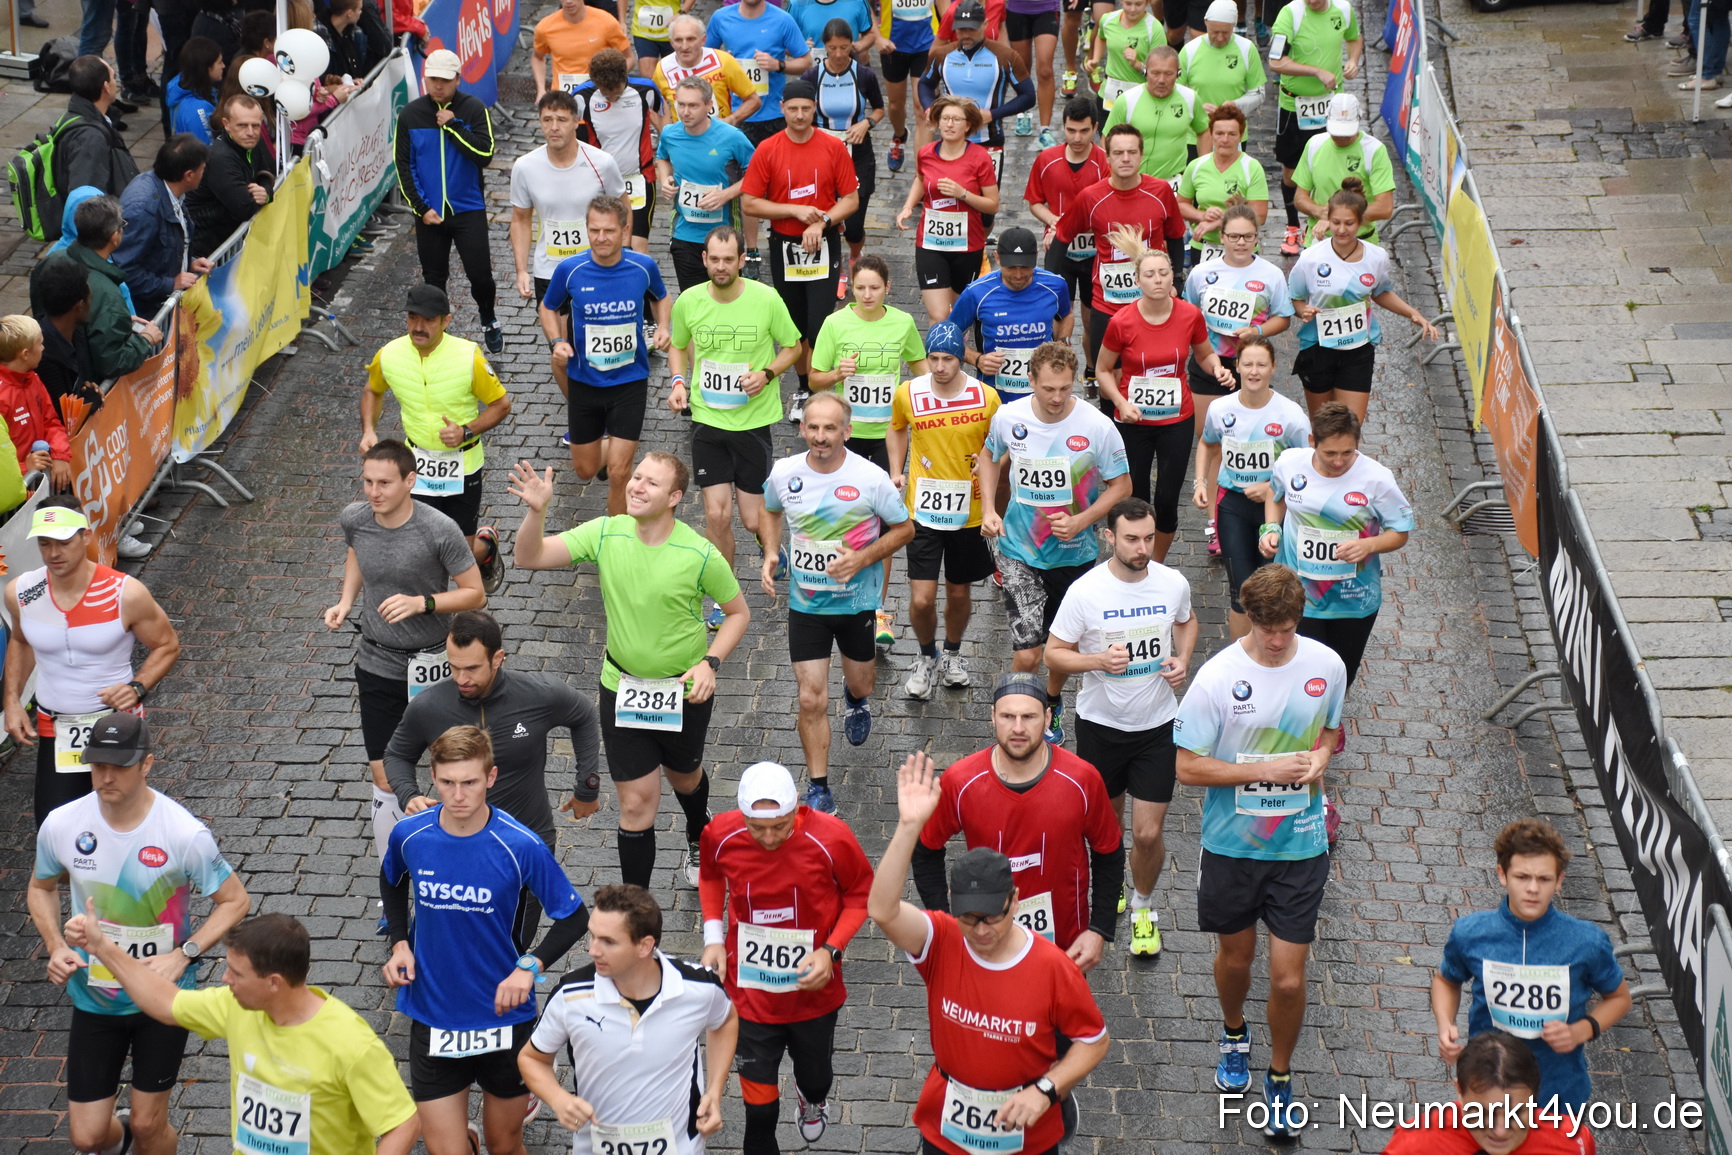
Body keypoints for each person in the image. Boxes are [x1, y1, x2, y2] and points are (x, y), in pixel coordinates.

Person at [511, 452, 750, 890]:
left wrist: (709, 663)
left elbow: (737, 613)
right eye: (636, 476)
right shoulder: (606, 532)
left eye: (651, 483)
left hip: (683, 690)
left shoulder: (699, 554)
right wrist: (537, 511)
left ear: (675, 497)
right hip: (621, 688)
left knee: (685, 777)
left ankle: (699, 828)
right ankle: (635, 911)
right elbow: (529, 557)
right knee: (637, 805)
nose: (636, 486)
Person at [1173, 563, 1344, 1141]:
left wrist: (1320, 758)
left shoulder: (1326, 666)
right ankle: (1233, 1031)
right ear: (1249, 617)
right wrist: (1267, 768)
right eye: (1268, 627)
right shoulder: (1218, 678)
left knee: (1289, 980)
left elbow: (1330, 732)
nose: (1277, 640)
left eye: (1288, 628)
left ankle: (1280, 1076)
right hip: (1232, 847)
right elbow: (1187, 766)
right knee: (1238, 961)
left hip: (1301, 844)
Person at [28, 712, 251, 1155]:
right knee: (88, 1137)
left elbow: (236, 901)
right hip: (95, 996)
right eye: (97, 765)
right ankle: (124, 1138)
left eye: (119, 766)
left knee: (151, 1124)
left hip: (162, 998)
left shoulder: (184, 834)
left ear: (146, 764)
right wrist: (55, 945)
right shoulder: (62, 824)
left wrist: (183, 954)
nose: (106, 776)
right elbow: (41, 887)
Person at [869, 756, 1110, 1155]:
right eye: (970, 918)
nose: (981, 931)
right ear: (952, 905)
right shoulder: (941, 941)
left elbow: (1093, 1041)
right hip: (948, 1130)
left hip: (1027, 1134)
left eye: (993, 918)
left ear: (1015, 902)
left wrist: (1046, 1090)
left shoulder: (1052, 966)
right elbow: (881, 910)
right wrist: (909, 826)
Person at [381, 725, 590, 1155]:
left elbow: (574, 917)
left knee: (505, 1144)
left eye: (470, 783)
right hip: (433, 1014)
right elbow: (391, 880)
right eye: (447, 783)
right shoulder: (411, 835)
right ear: (433, 779)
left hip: (504, 1019)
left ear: (491, 778)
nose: (458, 795)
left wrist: (529, 967)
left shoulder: (520, 845)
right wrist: (400, 942)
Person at [68, 910, 421, 1155]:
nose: (225, 979)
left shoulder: (351, 1044)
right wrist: (103, 948)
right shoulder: (236, 1006)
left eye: (236, 973)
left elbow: (402, 1124)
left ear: (273, 983)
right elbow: (165, 1001)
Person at [323, 439, 487, 867]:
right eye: (367, 482)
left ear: (410, 481)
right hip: (377, 663)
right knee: (384, 775)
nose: (373, 492)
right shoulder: (355, 519)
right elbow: (357, 555)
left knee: (448, 769)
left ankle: (450, 858)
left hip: (433, 666)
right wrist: (345, 601)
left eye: (384, 483)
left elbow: (475, 594)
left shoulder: (438, 529)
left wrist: (424, 602)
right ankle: (394, 874)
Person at [1044, 497, 1196, 955]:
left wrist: (1182, 660)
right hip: (1100, 726)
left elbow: (1187, 625)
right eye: (1132, 539)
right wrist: (1096, 661)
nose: (1142, 548)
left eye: (1149, 538)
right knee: (1106, 830)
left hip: (1157, 726)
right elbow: (1054, 654)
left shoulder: (1172, 583)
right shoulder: (1086, 591)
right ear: (1109, 537)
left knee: (1148, 833)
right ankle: (1111, 892)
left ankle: (1145, 909)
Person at [697, 761, 873, 1152]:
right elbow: (710, 875)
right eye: (756, 828)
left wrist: (831, 950)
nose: (770, 837)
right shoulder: (720, 834)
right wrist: (713, 936)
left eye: (780, 825)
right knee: (759, 1116)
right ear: (741, 816)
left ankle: (811, 1097)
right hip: (749, 995)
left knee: (817, 1079)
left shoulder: (831, 837)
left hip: (814, 993)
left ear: (798, 808)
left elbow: (862, 893)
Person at [760, 392, 913, 811]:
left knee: (862, 681)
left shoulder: (870, 478)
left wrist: (861, 559)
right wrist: (772, 551)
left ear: (847, 430)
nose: (821, 437)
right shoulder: (784, 472)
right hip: (806, 606)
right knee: (810, 698)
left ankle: (856, 699)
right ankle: (819, 785)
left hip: (856, 604)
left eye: (830, 428)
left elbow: (904, 530)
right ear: (801, 428)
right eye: (813, 427)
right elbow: (770, 512)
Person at [912, 671, 1123, 968]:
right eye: (1008, 716)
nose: (1018, 728)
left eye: (1029, 717)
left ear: (1048, 719)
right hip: (987, 946)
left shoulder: (1082, 779)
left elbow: (1109, 853)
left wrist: (1099, 930)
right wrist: (946, 923)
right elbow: (925, 851)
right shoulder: (961, 781)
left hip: (1065, 950)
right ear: (992, 717)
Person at [976, 342, 1129, 745]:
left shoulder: (1096, 426)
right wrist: (989, 509)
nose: (1058, 398)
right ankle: (1018, 718)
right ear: (1031, 382)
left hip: (1074, 554)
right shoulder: (1009, 417)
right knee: (1028, 652)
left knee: (1062, 646)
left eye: (1065, 389)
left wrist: (1081, 520)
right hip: (1018, 550)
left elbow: (1122, 486)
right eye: (1048, 389)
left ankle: (1053, 701)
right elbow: (989, 458)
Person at [519, 885, 738, 1155]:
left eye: (608, 941)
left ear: (644, 945)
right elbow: (530, 1058)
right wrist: (558, 1098)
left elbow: (726, 1020)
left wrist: (714, 1093)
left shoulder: (698, 987)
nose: (593, 950)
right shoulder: (570, 996)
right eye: (593, 936)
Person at [1432, 820, 1632, 1115]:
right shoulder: (1470, 933)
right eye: (1522, 877)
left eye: (1544, 879)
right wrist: (1445, 1023)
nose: (1533, 889)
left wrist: (1581, 1030)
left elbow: (1619, 998)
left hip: (1558, 1094)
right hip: (1488, 1091)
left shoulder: (1587, 941)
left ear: (1560, 880)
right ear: (1502, 875)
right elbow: (1446, 981)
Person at [3, 498, 181, 826]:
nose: (54, 553)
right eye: (45, 544)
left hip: (114, 723)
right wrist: (12, 701)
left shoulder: (125, 594)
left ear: (85, 537)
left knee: (120, 822)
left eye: (63, 542)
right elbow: (20, 640)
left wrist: (138, 687)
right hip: (56, 727)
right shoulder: (23, 592)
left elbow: (167, 644)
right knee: (54, 825)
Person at [384, 609, 602, 862]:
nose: (461, 679)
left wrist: (588, 787)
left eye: (472, 668)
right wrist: (409, 796)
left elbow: (584, 714)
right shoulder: (428, 706)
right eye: (454, 667)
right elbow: (397, 754)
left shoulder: (537, 694)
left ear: (497, 658)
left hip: (528, 843)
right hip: (458, 848)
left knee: (526, 904)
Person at [668, 226, 804, 579]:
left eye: (729, 260)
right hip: (708, 419)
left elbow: (793, 347)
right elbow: (678, 345)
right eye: (714, 259)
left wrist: (768, 374)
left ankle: (769, 541)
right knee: (715, 515)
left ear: (743, 260)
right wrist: (679, 382)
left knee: (749, 518)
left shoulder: (766, 299)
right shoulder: (689, 301)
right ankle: (723, 590)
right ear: (704, 259)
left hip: (752, 421)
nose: (721, 267)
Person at [1260, 403, 1411, 721]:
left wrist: (1368, 544)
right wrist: (1271, 528)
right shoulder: (1290, 463)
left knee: (1340, 672)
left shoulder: (1376, 479)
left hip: (1353, 599)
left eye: (1348, 452)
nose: (1339, 461)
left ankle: (1329, 718)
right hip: (1299, 594)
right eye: (1330, 453)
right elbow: (1276, 497)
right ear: (1313, 440)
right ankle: (1304, 735)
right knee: (1301, 671)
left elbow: (1400, 532)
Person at [808, 255, 926, 645]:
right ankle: (838, 588)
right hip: (847, 436)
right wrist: (837, 375)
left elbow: (919, 367)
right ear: (851, 288)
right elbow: (814, 378)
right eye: (860, 288)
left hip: (888, 436)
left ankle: (876, 608)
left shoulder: (903, 323)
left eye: (875, 287)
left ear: (888, 288)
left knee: (885, 521)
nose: (867, 294)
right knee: (842, 514)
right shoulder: (835, 323)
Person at [360, 284, 513, 583]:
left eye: (429, 320)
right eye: (413, 318)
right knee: (420, 547)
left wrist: (467, 431)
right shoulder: (389, 355)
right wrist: (368, 429)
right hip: (416, 466)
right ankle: (432, 618)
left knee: (460, 555)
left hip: (463, 465)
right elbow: (372, 390)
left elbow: (501, 405)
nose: (419, 326)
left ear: (446, 321)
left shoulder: (468, 356)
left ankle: (487, 547)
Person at [1094, 242, 1235, 561]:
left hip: (1176, 419)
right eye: (1149, 274)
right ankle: (1134, 557)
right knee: (1137, 497)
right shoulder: (1122, 322)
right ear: (1138, 280)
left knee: (1169, 499)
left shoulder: (1189, 315)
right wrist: (1120, 401)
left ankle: (1154, 563)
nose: (1157, 279)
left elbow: (1204, 353)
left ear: (1173, 277)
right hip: (1134, 422)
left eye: (1163, 273)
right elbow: (1102, 370)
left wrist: (1218, 369)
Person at [886, 321, 997, 698]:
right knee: (920, 598)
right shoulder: (908, 392)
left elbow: (997, 449)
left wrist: (996, 499)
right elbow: (897, 427)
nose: (938, 366)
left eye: (947, 358)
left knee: (960, 595)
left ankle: (952, 652)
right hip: (923, 510)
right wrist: (895, 471)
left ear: (960, 358)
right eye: (932, 358)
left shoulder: (986, 397)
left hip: (970, 513)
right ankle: (925, 655)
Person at [540, 195, 671, 513]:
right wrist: (557, 340)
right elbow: (547, 307)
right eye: (594, 230)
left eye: (609, 230)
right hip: (585, 383)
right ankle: (606, 448)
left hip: (630, 382)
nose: (601, 237)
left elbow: (661, 297)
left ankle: (617, 542)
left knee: (619, 473)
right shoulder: (571, 270)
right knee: (585, 470)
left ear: (625, 231)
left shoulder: (643, 266)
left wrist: (664, 326)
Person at [740, 78, 859, 405]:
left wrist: (821, 221)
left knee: (819, 322)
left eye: (806, 109)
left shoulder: (833, 147)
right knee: (795, 326)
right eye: (792, 109)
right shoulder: (769, 149)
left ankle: (821, 385)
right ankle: (806, 386)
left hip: (824, 245)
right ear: (782, 109)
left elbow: (850, 199)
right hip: (783, 246)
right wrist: (794, 210)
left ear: (815, 108)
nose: (799, 115)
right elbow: (749, 202)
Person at [1181, 205, 1291, 552]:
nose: (1240, 243)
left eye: (1248, 236)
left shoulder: (1271, 274)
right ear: (1221, 237)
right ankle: (1215, 522)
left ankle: (1253, 511)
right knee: (1213, 444)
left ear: (1258, 238)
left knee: (1245, 441)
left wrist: (1257, 329)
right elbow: (1190, 313)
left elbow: (1284, 318)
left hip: (1250, 365)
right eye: (1233, 236)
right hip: (1207, 363)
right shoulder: (1202, 272)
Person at [1287, 180, 1438, 422]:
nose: (1342, 230)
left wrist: (1414, 314)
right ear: (1328, 220)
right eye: (1336, 223)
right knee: (1323, 426)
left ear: (1361, 223)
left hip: (1358, 348)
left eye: (1349, 223)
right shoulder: (1310, 258)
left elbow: (1381, 292)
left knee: (1350, 426)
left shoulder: (1376, 257)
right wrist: (1303, 311)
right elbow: (1294, 298)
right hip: (1317, 347)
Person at [510, 90, 628, 397]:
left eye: (561, 119)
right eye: (547, 119)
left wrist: (622, 255)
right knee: (562, 352)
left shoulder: (601, 163)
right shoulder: (525, 166)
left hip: (597, 268)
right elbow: (521, 219)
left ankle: (602, 405)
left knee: (596, 346)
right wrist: (521, 269)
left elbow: (622, 207)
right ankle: (580, 415)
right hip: (551, 270)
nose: (554, 127)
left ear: (577, 121)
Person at [1193, 336, 1308, 639]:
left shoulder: (1291, 416)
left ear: (1273, 368)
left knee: (1275, 589)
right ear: (1237, 366)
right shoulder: (1221, 408)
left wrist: (1271, 486)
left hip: (1278, 510)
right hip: (1233, 505)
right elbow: (1206, 443)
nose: (1254, 371)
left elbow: (1307, 467)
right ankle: (1240, 659)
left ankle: (1276, 650)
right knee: (1241, 592)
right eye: (1248, 364)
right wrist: (1200, 482)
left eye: (1261, 365)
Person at [394, 50, 503, 353]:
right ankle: (437, 333)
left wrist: (454, 126)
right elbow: (404, 166)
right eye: (433, 79)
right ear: (424, 78)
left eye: (445, 80)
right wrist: (421, 208)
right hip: (429, 213)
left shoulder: (473, 109)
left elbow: (485, 154)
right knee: (434, 279)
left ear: (457, 79)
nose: (438, 86)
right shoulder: (410, 115)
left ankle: (488, 316)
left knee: (480, 274)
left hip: (468, 208)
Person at [1053, 124, 1186, 372]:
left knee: (1154, 370)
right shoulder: (1090, 197)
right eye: (1118, 153)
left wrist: (1177, 280)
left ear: (1141, 155)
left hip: (1153, 301)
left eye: (1132, 152)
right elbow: (1062, 238)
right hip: (1107, 304)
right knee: (1107, 373)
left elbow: (1176, 236)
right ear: (1107, 157)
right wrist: (1051, 287)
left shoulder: (1161, 191)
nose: (1126, 158)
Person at [707, 0, 815, 271]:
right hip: (736, 116)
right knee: (746, 186)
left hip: (774, 117)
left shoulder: (781, 20)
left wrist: (778, 65)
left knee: (785, 182)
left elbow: (805, 61)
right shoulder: (721, 18)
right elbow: (706, 57)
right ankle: (751, 249)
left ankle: (790, 237)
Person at [1384, 1031, 1600, 1155]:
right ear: (1460, 1091)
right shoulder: (1414, 1144)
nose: (1500, 1131)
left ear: (1536, 1096)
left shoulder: (1572, 1140)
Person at [1267, 0, 1362, 255]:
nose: (1313, 1)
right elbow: (1275, 61)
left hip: (1332, 105)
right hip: (1295, 105)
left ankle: (1333, 221)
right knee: (1291, 171)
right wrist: (1316, 72)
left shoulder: (1342, 9)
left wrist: (1353, 60)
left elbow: (1354, 37)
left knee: (1333, 163)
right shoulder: (1291, 14)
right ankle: (1292, 226)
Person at [30, 199, 161, 380]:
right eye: (122, 225)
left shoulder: (50, 261)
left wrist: (117, 320)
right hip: (82, 389)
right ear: (114, 237)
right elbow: (112, 362)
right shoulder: (107, 294)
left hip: (46, 367)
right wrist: (145, 340)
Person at [897, 95, 999, 324]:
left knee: (957, 316)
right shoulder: (926, 153)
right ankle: (937, 359)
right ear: (938, 121)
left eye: (956, 119)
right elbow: (920, 179)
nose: (950, 124)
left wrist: (962, 193)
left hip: (967, 245)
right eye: (945, 118)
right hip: (931, 243)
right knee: (939, 314)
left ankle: (954, 356)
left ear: (968, 125)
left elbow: (993, 204)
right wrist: (908, 207)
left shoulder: (980, 158)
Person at [1022, 99, 1105, 368]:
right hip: (1058, 251)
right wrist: (1054, 222)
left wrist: (1073, 225)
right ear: (1063, 128)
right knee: (1058, 315)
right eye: (1071, 131)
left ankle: (1092, 368)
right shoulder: (1046, 160)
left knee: (1092, 321)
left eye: (1083, 131)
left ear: (1095, 128)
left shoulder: (1105, 162)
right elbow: (1035, 202)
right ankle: (1059, 367)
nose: (1077, 138)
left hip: (1096, 254)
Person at [655, 77, 757, 292]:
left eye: (693, 105)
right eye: (680, 104)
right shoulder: (670, 134)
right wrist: (665, 179)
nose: (685, 111)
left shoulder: (731, 137)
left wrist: (726, 194)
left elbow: (757, 175)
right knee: (693, 301)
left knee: (725, 300)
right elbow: (662, 157)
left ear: (709, 106)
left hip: (724, 236)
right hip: (685, 233)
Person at [948, 227, 1072, 402]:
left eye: (1025, 266)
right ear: (997, 257)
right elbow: (949, 336)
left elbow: (1066, 315)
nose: (1019, 275)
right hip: (995, 394)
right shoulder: (977, 292)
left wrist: (1062, 343)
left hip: (1044, 393)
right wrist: (977, 359)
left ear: (1036, 257)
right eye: (1011, 267)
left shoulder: (1055, 285)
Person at [804, 19, 887, 274]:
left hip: (857, 151)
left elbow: (880, 109)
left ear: (852, 45)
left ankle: (854, 254)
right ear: (824, 47)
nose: (839, 54)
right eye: (832, 48)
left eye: (844, 47)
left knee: (854, 223)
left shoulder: (863, 74)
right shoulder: (812, 76)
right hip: (822, 152)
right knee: (826, 214)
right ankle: (835, 265)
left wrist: (866, 124)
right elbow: (802, 112)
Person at [570, 49, 666, 255]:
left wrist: (666, 152)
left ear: (626, 78)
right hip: (598, 180)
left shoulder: (646, 90)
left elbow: (664, 116)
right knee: (600, 243)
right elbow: (567, 130)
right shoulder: (581, 97)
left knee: (636, 249)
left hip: (639, 179)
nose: (613, 98)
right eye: (606, 94)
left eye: (618, 93)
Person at [915, 0, 1032, 168]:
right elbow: (925, 84)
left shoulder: (1005, 57)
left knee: (987, 195)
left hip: (989, 142)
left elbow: (1028, 96)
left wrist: (993, 114)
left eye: (972, 28)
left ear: (984, 25)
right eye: (961, 29)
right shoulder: (942, 56)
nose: (966, 34)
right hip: (951, 141)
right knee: (949, 193)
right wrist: (929, 108)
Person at [116, 134, 213, 319]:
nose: (204, 173)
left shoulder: (167, 190)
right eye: (202, 169)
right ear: (189, 175)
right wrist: (170, 284)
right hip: (149, 315)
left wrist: (188, 261)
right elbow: (124, 271)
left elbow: (161, 247)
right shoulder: (144, 209)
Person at [1293, 93, 1395, 243]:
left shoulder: (1374, 150)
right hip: (1320, 241)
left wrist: (1337, 220)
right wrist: (1318, 211)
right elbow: (1300, 198)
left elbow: (1385, 207)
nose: (1341, 137)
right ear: (1326, 119)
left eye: (1347, 132)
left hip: (1360, 242)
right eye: (1336, 132)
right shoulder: (1314, 144)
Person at [1175, 105, 1268, 268]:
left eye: (1232, 134)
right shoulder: (1196, 166)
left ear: (1240, 136)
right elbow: (1180, 205)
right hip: (1203, 247)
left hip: (1242, 249)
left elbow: (1259, 216)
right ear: (1211, 134)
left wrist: (1219, 221)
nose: (1225, 140)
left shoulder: (1252, 167)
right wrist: (1202, 216)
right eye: (1219, 134)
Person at [1101, 46, 1208, 182]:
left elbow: (1204, 131)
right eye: (1155, 73)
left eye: (1168, 74)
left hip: (1174, 182)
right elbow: (1106, 140)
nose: (1162, 80)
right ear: (1145, 71)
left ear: (1178, 73)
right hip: (1135, 182)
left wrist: (1202, 168)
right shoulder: (1127, 100)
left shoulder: (1190, 98)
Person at [185, 95, 273, 259]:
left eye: (255, 125)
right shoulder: (220, 158)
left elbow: (267, 173)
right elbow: (244, 209)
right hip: (209, 249)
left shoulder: (251, 142)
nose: (250, 132)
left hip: (230, 240)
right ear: (227, 125)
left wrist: (266, 192)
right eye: (242, 125)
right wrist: (263, 194)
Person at [0, 315, 75, 490]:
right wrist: (26, 469)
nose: (43, 348)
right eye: (40, 343)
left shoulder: (32, 378)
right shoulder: (3, 396)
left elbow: (50, 421)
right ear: (25, 354)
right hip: (15, 494)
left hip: (37, 485)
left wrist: (60, 455)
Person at [1177, 0, 1265, 147]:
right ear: (1206, 23)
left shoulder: (1246, 49)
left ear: (1234, 26)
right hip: (1196, 135)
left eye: (1225, 32)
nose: (1219, 38)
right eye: (1214, 32)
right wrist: (1196, 106)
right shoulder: (1190, 50)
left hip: (1232, 135)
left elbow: (1258, 93)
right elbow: (1174, 91)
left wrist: (1235, 105)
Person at [652, 16, 764, 126]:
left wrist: (732, 119)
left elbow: (754, 100)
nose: (684, 46)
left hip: (718, 138)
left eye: (691, 39)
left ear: (703, 40)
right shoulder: (663, 68)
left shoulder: (723, 60)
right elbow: (653, 108)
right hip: (683, 141)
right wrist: (666, 134)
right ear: (671, 42)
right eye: (678, 40)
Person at [56, 58, 141, 198]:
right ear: (106, 87)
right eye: (114, 77)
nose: (116, 83)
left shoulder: (82, 117)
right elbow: (86, 202)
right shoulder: (90, 139)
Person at [29, 258, 101, 418]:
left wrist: (84, 388)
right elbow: (62, 416)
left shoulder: (74, 333)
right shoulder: (43, 359)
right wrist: (89, 401)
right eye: (90, 298)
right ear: (80, 305)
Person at [877, 0, 936, 173]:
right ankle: (900, 135)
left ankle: (922, 178)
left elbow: (946, 8)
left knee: (922, 107)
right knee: (895, 105)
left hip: (926, 44)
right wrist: (877, 37)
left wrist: (942, 40)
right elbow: (864, 6)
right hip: (892, 47)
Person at [532, 0, 634, 97]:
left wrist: (612, 79)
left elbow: (630, 58)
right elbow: (537, 58)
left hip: (598, 95)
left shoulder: (606, 22)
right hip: (563, 98)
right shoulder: (545, 27)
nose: (568, 1)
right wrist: (541, 90)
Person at [1001, 0, 1061, 147]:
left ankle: (1045, 129)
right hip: (1017, 9)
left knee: (1045, 69)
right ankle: (1023, 113)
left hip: (1047, 8)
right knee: (1022, 68)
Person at [1085, 0, 1156, 116]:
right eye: (1128, 4)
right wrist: (1096, 59)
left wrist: (1137, 64)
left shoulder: (1154, 28)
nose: (1133, 9)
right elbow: (1101, 36)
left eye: (1138, 4)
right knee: (1106, 134)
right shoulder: (1108, 20)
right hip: (1108, 96)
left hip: (1139, 99)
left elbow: (1158, 73)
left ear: (1147, 3)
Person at [166, 38, 224, 143]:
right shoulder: (197, 110)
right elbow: (207, 149)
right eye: (219, 62)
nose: (223, 66)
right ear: (207, 68)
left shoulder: (186, 86)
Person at [629, 0, 687, 76]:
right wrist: (622, 21)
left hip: (672, 32)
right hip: (644, 32)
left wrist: (682, 12)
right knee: (648, 78)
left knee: (675, 75)